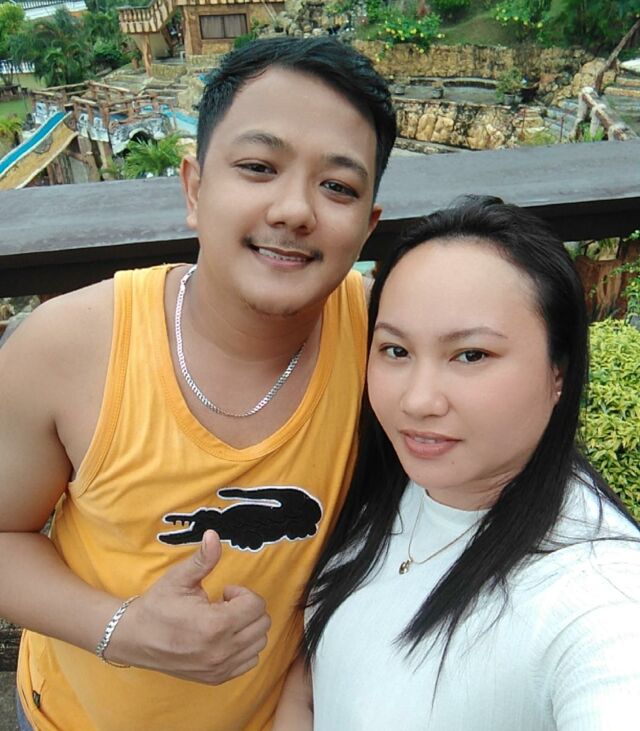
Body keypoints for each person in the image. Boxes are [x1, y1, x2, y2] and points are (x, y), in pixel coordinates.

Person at [0, 37, 396, 730]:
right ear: (194, 188)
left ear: (366, 228)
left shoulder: (389, 347)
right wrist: (123, 628)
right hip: (70, 716)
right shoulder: (68, 348)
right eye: (258, 167)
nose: (294, 210)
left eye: (337, 185)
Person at [273, 196, 640, 730]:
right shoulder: (391, 483)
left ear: (558, 371)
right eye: (396, 350)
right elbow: (314, 682)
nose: (418, 400)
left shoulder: (598, 592)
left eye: (471, 355)